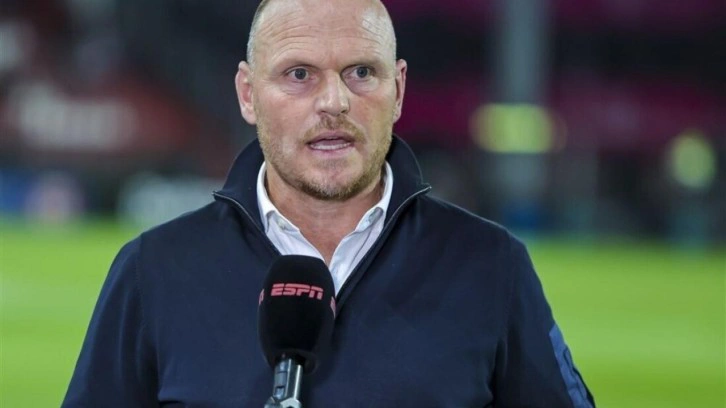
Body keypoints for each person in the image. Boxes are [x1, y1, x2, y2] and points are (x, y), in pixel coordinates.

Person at [63, 0, 596, 406]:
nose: (334, 102)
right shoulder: (152, 271)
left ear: (398, 90)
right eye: (299, 75)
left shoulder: (491, 266)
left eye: (361, 73)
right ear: (248, 94)